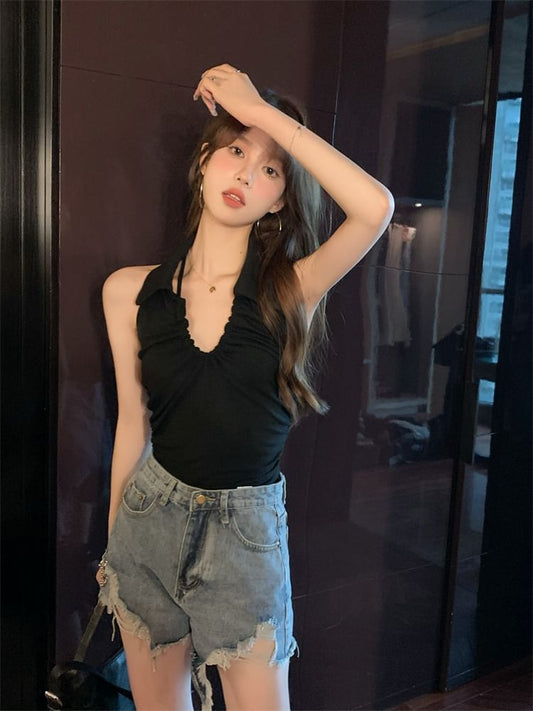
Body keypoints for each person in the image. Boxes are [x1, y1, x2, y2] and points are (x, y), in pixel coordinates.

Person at [96, 63, 394, 711]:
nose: (246, 175)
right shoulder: (128, 291)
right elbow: (132, 425)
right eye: (234, 151)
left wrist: (258, 112)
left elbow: (374, 208)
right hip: (147, 521)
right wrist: (115, 543)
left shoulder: (293, 289)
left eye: (270, 169)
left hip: (245, 533)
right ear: (203, 163)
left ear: (280, 199)